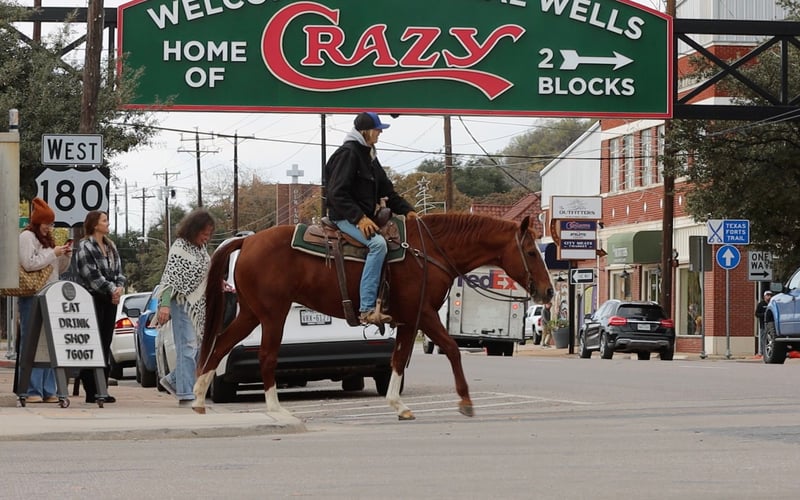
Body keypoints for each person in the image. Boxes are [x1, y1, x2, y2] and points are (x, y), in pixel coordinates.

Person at [324, 111, 417, 325]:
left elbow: (387, 191)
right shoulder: (348, 153)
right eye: (377, 129)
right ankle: (366, 309)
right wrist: (359, 219)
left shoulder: (370, 156)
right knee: (378, 245)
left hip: (364, 217)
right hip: (344, 217)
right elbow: (336, 193)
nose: (380, 133)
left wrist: (408, 211)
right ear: (365, 131)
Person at [155, 208, 215, 407]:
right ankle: (186, 394)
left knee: (197, 349)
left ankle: (173, 380)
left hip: (196, 307)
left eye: (209, 234)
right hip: (181, 304)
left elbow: (204, 274)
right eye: (204, 233)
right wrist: (164, 306)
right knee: (187, 348)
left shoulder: (201, 250)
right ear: (194, 229)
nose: (206, 238)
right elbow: (170, 279)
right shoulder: (180, 247)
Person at [17, 198, 72, 403]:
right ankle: (31, 388)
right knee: (31, 341)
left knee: (50, 342)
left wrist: (64, 256)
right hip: (32, 294)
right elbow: (29, 263)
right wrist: (52, 253)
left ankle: (48, 388)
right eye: (47, 223)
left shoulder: (48, 241)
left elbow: (57, 269)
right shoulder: (27, 237)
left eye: (51, 223)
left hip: (51, 293)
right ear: (38, 222)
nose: (49, 227)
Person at [74, 210, 126, 403]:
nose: (107, 223)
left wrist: (119, 288)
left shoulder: (111, 246)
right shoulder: (85, 246)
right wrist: (112, 289)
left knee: (105, 342)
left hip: (110, 299)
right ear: (95, 224)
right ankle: (91, 390)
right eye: (104, 220)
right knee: (92, 343)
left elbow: (119, 271)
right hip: (93, 298)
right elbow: (91, 276)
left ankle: (102, 389)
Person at [755, 290, 772, 356]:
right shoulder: (761, 304)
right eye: (768, 295)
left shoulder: (772, 304)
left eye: (770, 295)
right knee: (763, 338)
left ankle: (770, 352)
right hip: (763, 325)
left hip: (771, 325)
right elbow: (757, 314)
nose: (769, 297)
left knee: (770, 339)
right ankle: (763, 352)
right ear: (764, 296)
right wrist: (764, 315)